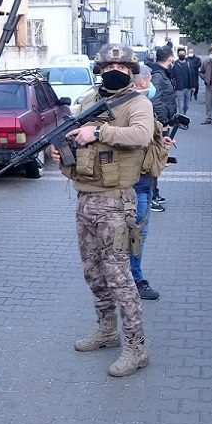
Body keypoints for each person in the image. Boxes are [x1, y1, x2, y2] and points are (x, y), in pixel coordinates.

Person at [49, 43, 154, 377]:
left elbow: (141, 134)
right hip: (85, 199)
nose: (115, 70)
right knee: (93, 272)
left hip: (115, 202)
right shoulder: (89, 100)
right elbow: (77, 143)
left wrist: (97, 131)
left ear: (131, 71)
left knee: (120, 277)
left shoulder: (138, 103)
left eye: (122, 67)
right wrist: (63, 156)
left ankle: (137, 348)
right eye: (109, 65)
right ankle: (107, 331)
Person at [130, 66, 161, 300]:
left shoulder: (144, 107)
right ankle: (134, 279)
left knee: (137, 233)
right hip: (135, 184)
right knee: (137, 234)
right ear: (142, 82)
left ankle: (131, 278)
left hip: (144, 182)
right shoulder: (135, 107)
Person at [147, 45, 177, 211]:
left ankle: (154, 192)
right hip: (159, 125)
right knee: (155, 159)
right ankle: (151, 195)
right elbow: (156, 100)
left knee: (158, 159)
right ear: (170, 58)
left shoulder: (160, 73)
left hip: (161, 123)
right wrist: (164, 121)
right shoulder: (158, 75)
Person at [170, 47, 195, 115]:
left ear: (185, 54)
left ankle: (183, 116)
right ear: (178, 55)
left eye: (183, 53)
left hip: (188, 88)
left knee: (186, 106)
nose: (182, 55)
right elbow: (171, 76)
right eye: (180, 54)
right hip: (179, 88)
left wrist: (193, 86)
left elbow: (193, 75)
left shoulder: (189, 64)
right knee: (181, 105)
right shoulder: (175, 65)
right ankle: (182, 122)